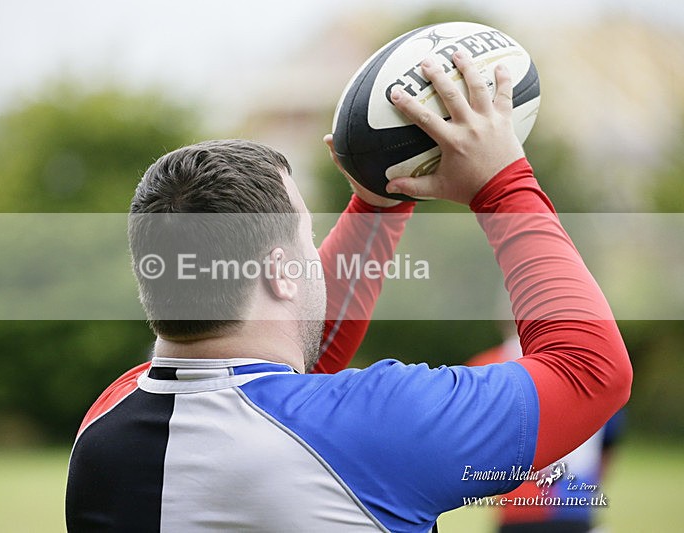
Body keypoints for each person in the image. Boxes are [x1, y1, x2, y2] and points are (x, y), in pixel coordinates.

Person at [66, 51, 632, 532]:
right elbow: (590, 370)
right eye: (309, 238)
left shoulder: (103, 427)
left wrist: (377, 206)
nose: (318, 257)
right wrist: (502, 183)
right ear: (282, 271)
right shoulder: (368, 430)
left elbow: (287, 365)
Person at [468, 325, 626, 533]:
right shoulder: (595, 364)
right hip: (575, 503)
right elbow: (609, 441)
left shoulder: (488, 366)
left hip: (519, 507)